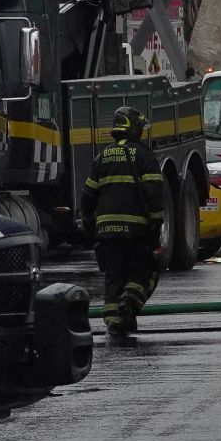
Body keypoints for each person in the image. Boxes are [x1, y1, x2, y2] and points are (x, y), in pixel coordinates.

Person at [80, 106, 170, 341]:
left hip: (106, 232)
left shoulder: (102, 156)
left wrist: (89, 224)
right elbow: (154, 193)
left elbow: (88, 196)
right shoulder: (144, 156)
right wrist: (157, 223)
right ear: (136, 128)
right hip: (136, 229)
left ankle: (115, 322)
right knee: (145, 272)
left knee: (114, 276)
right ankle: (128, 304)